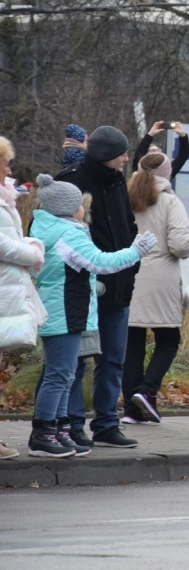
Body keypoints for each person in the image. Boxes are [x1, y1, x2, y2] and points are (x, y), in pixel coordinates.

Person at [29, 174, 155, 457]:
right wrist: (136, 251)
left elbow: (68, 270)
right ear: (69, 209)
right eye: (79, 204)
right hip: (66, 311)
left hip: (64, 308)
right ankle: (43, 435)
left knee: (65, 374)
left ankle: (59, 430)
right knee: (60, 375)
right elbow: (100, 262)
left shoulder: (48, 228)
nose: (83, 207)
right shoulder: (68, 233)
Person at [57, 125, 142, 448]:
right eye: (121, 153)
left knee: (113, 358)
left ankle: (106, 423)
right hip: (83, 288)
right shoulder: (71, 181)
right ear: (107, 154)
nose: (126, 159)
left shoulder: (118, 181)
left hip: (119, 285)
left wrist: (131, 266)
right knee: (78, 360)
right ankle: (73, 424)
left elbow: (128, 225)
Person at [121, 152, 189, 425]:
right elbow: (180, 245)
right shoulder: (169, 201)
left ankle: (131, 410)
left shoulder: (126, 198)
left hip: (129, 273)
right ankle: (147, 390)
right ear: (166, 174)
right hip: (161, 277)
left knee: (132, 346)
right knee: (168, 340)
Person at [0, 138, 46, 460]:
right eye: (5, 163)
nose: (9, 170)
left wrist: (29, 244)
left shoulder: (6, 198)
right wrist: (31, 252)